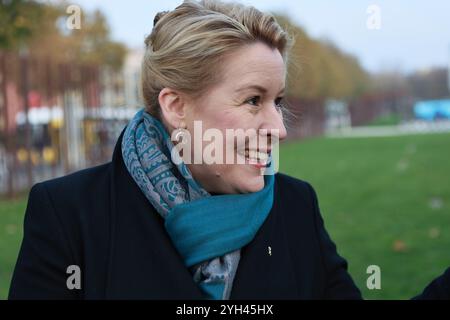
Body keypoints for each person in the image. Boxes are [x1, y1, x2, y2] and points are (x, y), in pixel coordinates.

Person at [8, 0, 449, 300]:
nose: (278, 128)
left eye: (278, 101)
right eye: (253, 100)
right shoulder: (69, 214)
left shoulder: (295, 206)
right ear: (177, 106)